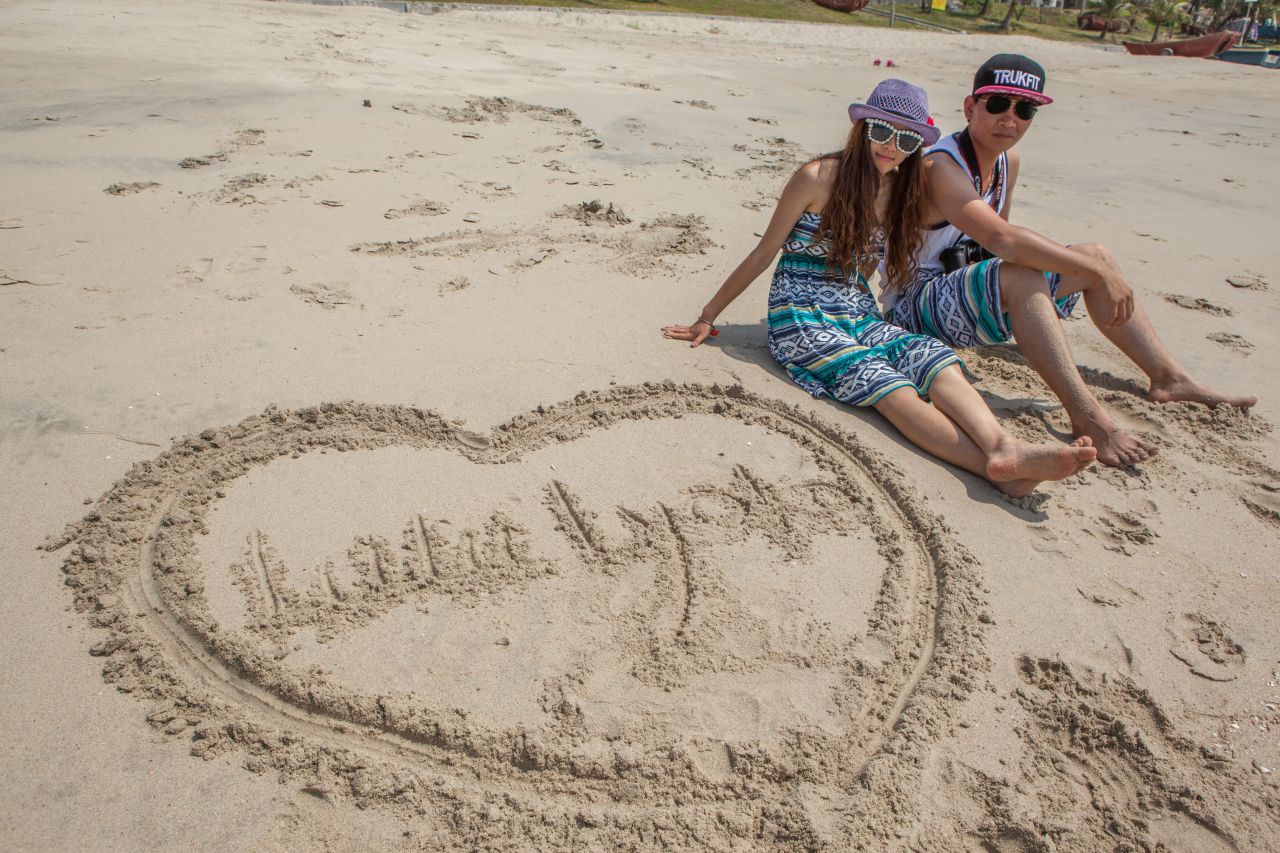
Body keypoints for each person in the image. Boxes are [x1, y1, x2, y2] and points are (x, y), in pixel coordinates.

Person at [662, 79, 1096, 497]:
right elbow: (763, 253)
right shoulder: (816, 176)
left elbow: (869, 265)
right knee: (885, 382)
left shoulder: (898, 192)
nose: (891, 146)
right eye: (883, 132)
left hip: (856, 309)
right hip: (800, 314)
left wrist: (873, 320)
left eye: (906, 140)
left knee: (931, 357)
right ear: (863, 127)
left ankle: (1001, 446)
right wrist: (707, 316)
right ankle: (995, 471)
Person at [881, 54, 1256, 468]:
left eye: (1025, 109)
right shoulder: (940, 164)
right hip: (911, 309)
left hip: (962, 295)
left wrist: (1093, 266)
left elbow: (993, 245)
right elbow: (1003, 240)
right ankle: (1088, 416)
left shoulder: (1007, 162)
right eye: (998, 104)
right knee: (1036, 273)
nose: (1010, 119)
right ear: (970, 107)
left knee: (1094, 254)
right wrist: (1095, 274)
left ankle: (1169, 378)